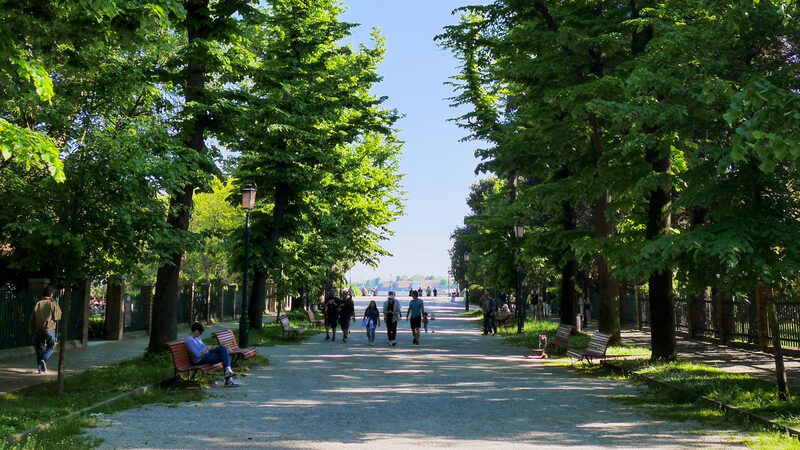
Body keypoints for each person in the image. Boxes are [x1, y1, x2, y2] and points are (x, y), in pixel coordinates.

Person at [185, 322, 238, 386]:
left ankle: (228, 371)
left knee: (223, 348)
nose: (200, 334)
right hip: (200, 360)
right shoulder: (189, 341)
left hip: (206, 354)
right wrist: (206, 350)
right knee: (224, 356)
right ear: (196, 331)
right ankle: (229, 379)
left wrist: (207, 349)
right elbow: (197, 355)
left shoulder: (197, 338)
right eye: (200, 332)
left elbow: (203, 348)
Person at [29, 285, 62, 374]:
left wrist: (32, 329)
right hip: (49, 329)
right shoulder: (53, 303)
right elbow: (57, 317)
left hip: (38, 329)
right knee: (51, 347)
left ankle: (40, 370)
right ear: (51, 294)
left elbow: (32, 317)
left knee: (39, 348)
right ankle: (44, 359)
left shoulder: (38, 303)